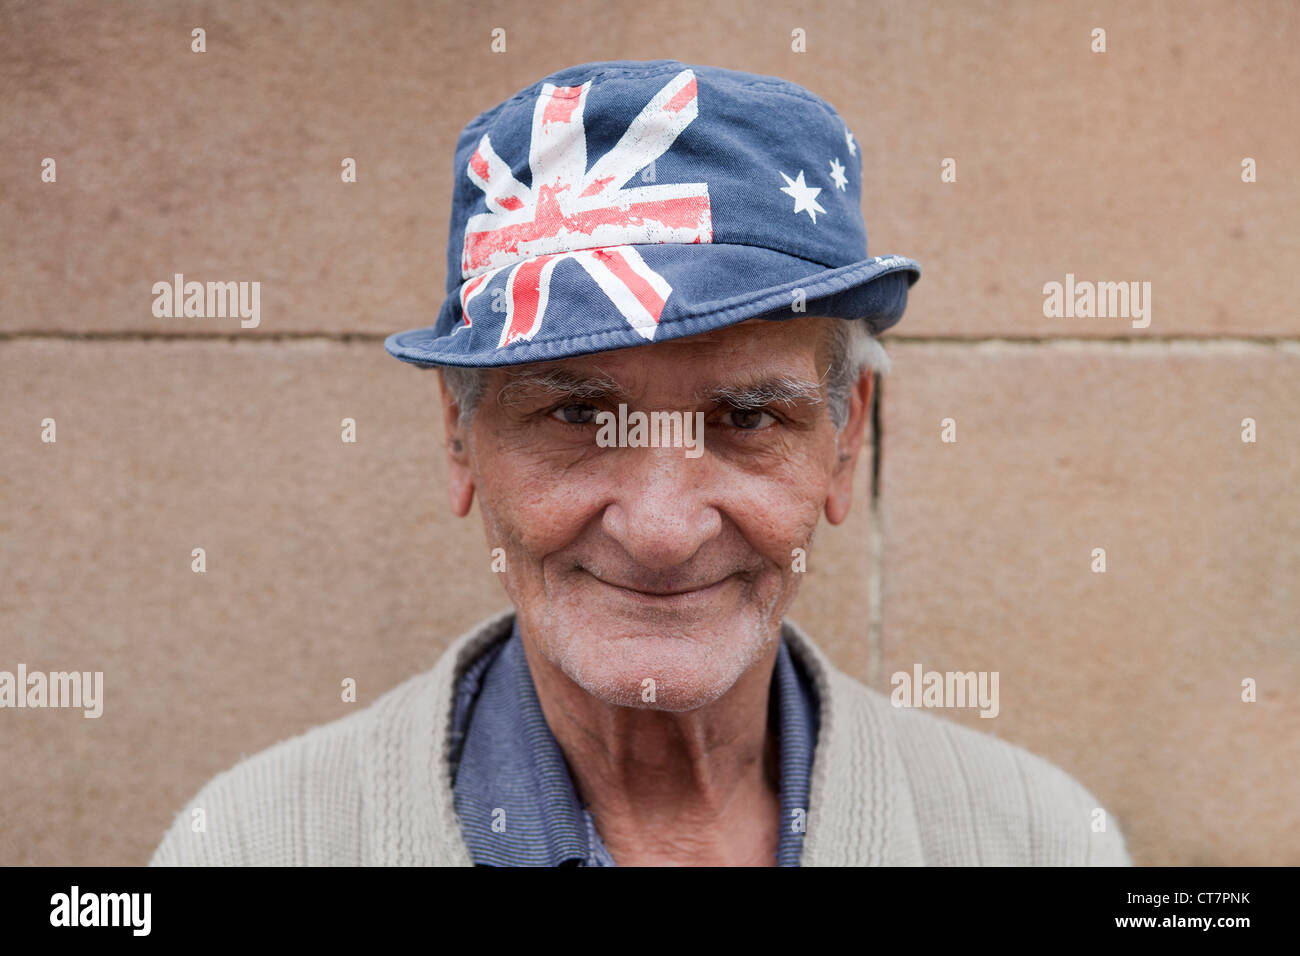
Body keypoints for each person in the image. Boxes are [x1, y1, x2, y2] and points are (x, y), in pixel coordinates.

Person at [151, 59, 1129, 866]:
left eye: (748, 416)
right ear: (459, 435)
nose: (662, 530)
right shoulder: (247, 844)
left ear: (845, 441)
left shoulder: (1041, 840)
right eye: (576, 413)